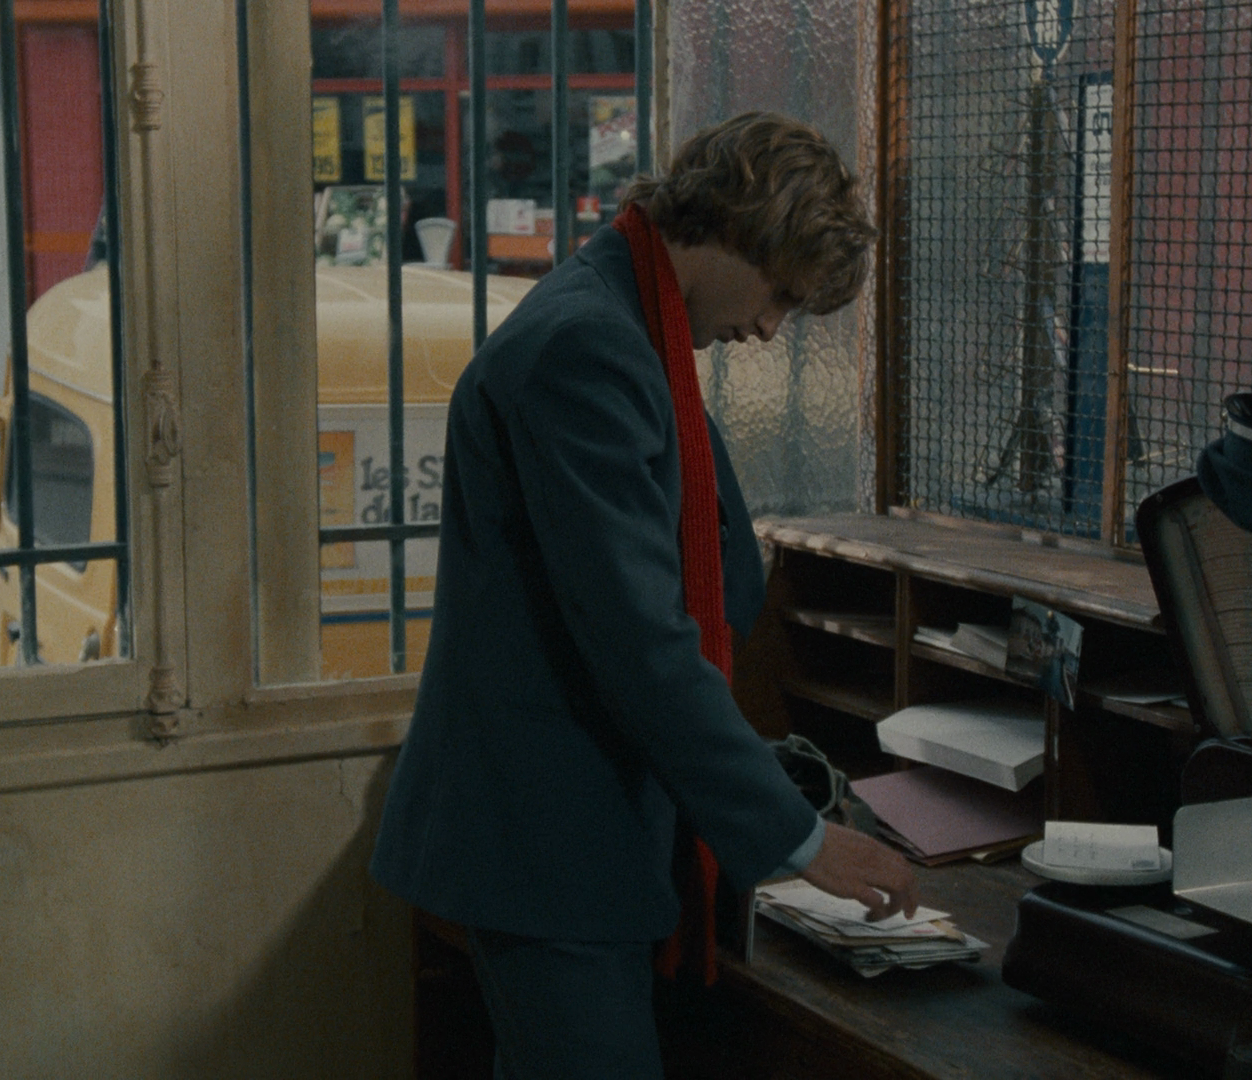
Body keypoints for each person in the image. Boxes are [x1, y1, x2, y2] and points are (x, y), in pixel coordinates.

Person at [369, 111, 919, 1080]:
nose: (767, 329)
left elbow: (708, 581)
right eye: (779, 295)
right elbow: (641, 639)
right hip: (547, 850)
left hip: (567, 838)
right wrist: (798, 840)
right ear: (738, 231)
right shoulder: (591, 346)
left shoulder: (623, 321)